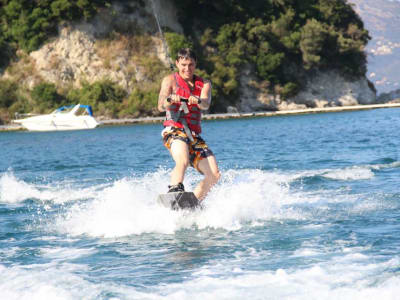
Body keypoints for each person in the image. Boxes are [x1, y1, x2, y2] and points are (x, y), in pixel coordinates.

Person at [158, 48, 220, 201]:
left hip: (193, 136)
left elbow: (205, 104)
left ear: (195, 64)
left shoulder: (204, 84)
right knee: (183, 160)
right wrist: (170, 99)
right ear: (177, 63)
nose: (187, 69)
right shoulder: (170, 80)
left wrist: (197, 100)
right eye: (184, 64)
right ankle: (175, 190)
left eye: (191, 65)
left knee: (214, 174)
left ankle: (194, 203)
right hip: (174, 130)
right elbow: (160, 105)